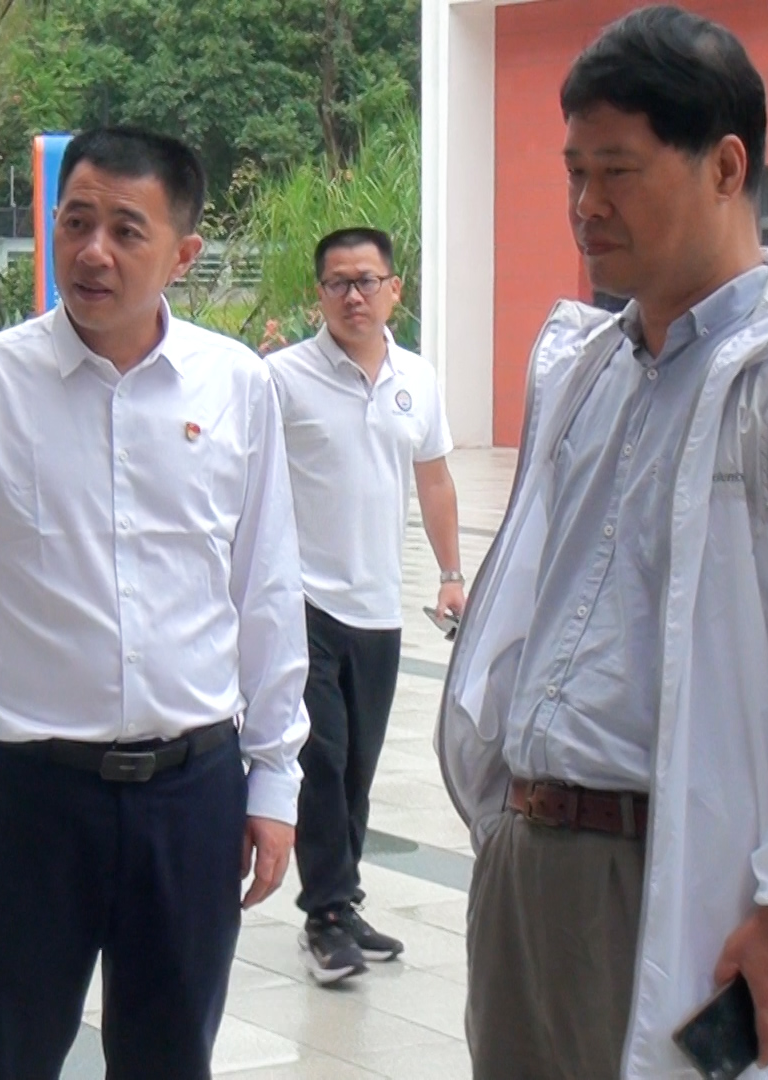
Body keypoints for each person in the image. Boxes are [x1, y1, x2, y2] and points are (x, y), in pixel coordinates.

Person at [434, 7, 768, 1078]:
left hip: (674, 879)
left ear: (725, 166)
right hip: (530, 867)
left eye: (617, 171)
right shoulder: (591, 368)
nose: (587, 205)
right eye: (575, 172)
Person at [0, 127, 308, 1080]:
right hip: (25, 798)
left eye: (126, 230)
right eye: (76, 223)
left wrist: (275, 780)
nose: (93, 252)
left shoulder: (237, 386)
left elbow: (267, 590)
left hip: (192, 792)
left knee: (171, 1058)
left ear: (183, 254)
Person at [267, 227, 464, 983]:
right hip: (303, 600)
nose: (354, 295)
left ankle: (340, 902)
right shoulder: (282, 379)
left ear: (394, 290)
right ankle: (325, 915)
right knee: (320, 758)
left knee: (357, 766)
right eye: (338, 283)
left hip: (378, 607)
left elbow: (435, 479)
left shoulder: (418, 378)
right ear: (318, 294)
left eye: (367, 281)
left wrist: (451, 573)